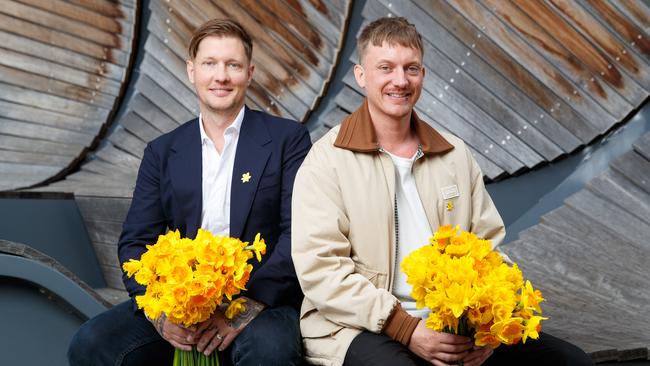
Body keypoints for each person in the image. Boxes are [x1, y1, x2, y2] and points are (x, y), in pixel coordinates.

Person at [291, 16, 592, 366]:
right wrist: (406, 329)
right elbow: (321, 270)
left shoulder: (454, 154)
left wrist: (489, 327)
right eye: (385, 68)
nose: (400, 81)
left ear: (423, 75)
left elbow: (488, 249)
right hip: (359, 326)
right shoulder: (327, 161)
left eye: (411, 68)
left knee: (572, 362)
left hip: (455, 322)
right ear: (361, 76)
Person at [68, 18, 311, 366]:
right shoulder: (163, 151)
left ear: (250, 72)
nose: (221, 76)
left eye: (233, 65)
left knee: (269, 351)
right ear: (191, 70)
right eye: (210, 64)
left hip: (264, 300)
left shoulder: (288, 139)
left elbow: (299, 235)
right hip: (181, 304)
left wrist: (239, 311)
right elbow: (135, 242)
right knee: (92, 343)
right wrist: (161, 316)